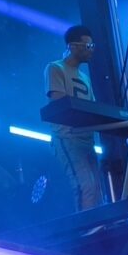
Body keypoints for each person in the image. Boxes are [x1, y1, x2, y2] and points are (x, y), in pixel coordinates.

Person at [45, 24, 106, 210]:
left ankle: (99, 230)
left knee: (97, 191)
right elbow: (59, 102)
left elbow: (92, 108)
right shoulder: (55, 68)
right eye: (88, 46)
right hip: (68, 137)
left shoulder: (84, 77)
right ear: (73, 46)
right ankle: (88, 233)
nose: (91, 51)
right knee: (85, 187)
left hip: (87, 140)